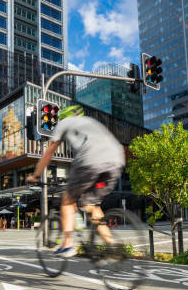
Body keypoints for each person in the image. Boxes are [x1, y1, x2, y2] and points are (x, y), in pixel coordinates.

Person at [26, 106, 125, 257]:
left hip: (90, 161)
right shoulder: (91, 122)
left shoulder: (65, 123)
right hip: (115, 160)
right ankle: (111, 244)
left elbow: (49, 152)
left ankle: (67, 244)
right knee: (91, 206)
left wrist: (36, 175)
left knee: (67, 199)